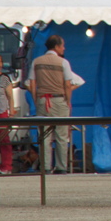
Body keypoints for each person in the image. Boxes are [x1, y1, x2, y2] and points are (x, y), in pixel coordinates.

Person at [27, 35, 75, 174]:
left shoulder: (36, 61)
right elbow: (67, 84)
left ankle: (46, 167)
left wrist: (36, 99)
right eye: (62, 45)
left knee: (44, 135)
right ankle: (61, 167)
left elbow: (32, 82)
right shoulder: (63, 63)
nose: (64, 48)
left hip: (43, 100)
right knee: (61, 135)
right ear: (57, 47)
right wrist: (68, 101)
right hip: (59, 100)